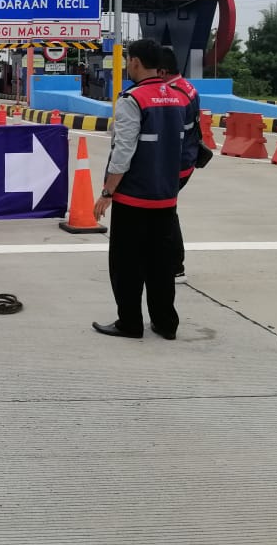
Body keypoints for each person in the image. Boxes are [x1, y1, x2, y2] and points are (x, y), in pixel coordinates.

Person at [91, 39, 188, 339]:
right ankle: (165, 323)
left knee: (127, 265)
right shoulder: (178, 97)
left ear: (135, 62)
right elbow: (187, 147)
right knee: (161, 265)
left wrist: (107, 193)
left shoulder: (132, 99)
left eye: (128, 60)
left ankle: (130, 322)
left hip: (134, 199)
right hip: (166, 198)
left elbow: (123, 151)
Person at [160, 46, 201, 283]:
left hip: (176, 163)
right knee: (166, 212)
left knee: (166, 213)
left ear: (163, 71)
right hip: (187, 159)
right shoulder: (188, 87)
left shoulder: (173, 94)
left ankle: (175, 266)